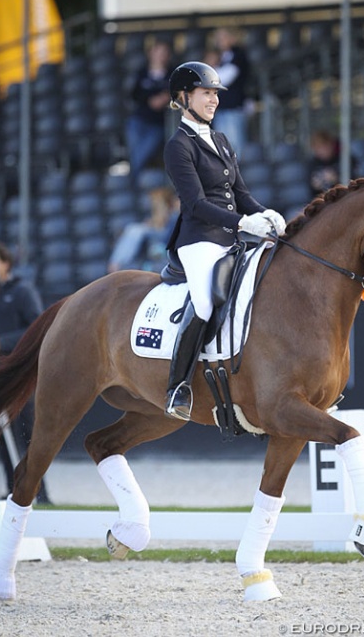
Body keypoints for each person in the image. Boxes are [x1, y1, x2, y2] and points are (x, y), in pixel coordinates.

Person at [163, 61, 286, 421]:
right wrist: (244, 221)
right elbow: (196, 204)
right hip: (199, 239)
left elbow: (241, 192)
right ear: (184, 97)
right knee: (203, 303)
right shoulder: (178, 146)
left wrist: (266, 214)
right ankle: (178, 387)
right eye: (206, 93)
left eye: (216, 94)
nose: (213, 100)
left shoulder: (220, 139)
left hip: (232, 235)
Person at [0, 242, 52, 504]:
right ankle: (13, 488)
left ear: (6, 264)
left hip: (19, 373)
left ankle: (39, 491)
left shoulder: (22, 291)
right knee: (0, 435)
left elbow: (37, 327)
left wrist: (1, 342)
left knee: (27, 434)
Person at [124, 38, 173, 185]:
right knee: (136, 150)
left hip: (158, 123)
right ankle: (135, 181)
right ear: (151, 53)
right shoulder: (142, 72)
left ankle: (131, 180)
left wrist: (165, 97)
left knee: (142, 151)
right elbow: (135, 95)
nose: (160, 56)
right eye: (158, 52)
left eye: (164, 53)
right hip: (139, 120)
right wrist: (150, 100)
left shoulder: (172, 74)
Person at [107, 186, 179, 273]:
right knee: (133, 230)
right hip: (154, 250)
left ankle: (116, 264)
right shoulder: (156, 220)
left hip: (162, 251)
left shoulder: (174, 216)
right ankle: (117, 264)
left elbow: (164, 236)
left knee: (135, 230)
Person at [209, 27, 250, 158]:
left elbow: (224, 78)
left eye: (224, 37)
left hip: (233, 107)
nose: (220, 41)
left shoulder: (238, 55)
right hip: (221, 107)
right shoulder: (221, 57)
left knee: (234, 146)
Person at [307, 129, 342, 198]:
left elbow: (353, 181)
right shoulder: (312, 164)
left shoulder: (343, 160)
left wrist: (336, 179)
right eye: (318, 148)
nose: (322, 150)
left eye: (324, 146)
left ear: (331, 145)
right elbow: (309, 188)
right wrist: (315, 186)